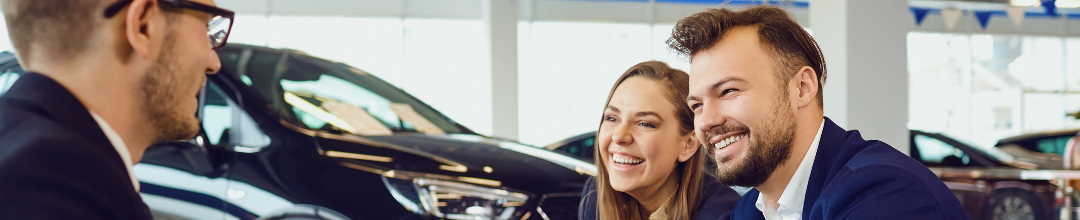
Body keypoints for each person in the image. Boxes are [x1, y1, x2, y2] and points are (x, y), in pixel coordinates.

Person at [667, 6, 968, 220]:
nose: (706, 121)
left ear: (802, 88)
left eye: (729, 91)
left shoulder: (885, 193)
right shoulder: (751, 210)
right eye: (697, 105)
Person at [0, 0, 233, 218]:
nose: (214, 64)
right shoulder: (57, 190)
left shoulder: (22, 151)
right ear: (144, 24)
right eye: (205, 27)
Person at [579, 61, 740, 220]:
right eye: (612, 118)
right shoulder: (595, 195)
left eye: (645, 123)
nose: (619, 136)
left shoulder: (724, 214)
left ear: (688, 145)